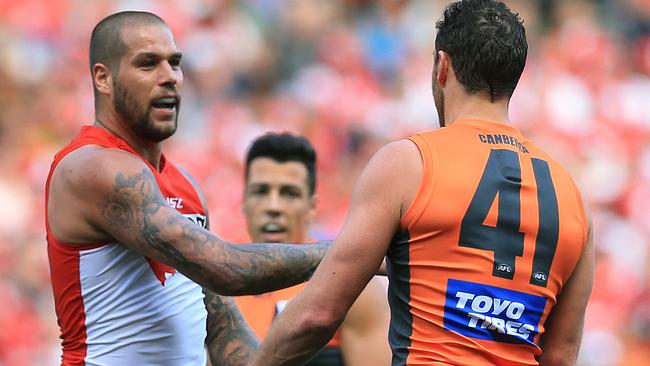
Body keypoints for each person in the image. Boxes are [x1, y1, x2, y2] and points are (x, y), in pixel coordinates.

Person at [251, 1, 594, 365]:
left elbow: (317, 315)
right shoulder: (572, 197)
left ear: (442, 67)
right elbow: (560, 356)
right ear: (514, 77)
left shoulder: (408, 163)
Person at [45, 11, 329, 366]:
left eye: (175, 63)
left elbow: (222, 327)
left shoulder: (186, 185)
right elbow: (224, 268)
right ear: (103, 78)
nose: (170, 78)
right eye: (148, 64)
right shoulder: (91, 167)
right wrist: (352, 252)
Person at [235, 132, 391, 365]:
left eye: (289, 193)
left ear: (312, 207)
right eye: (261, 191)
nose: (273, 206)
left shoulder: (349, 285)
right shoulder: (220, 291)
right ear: (244, 202)